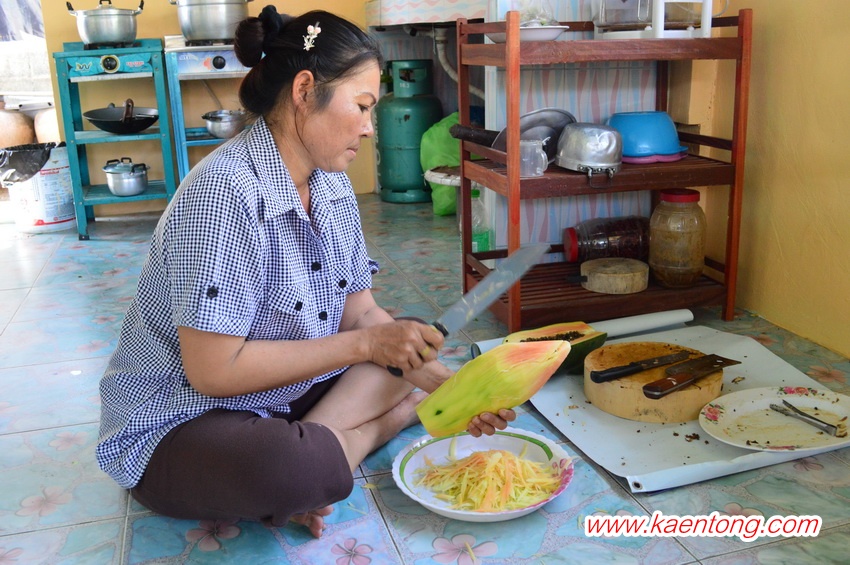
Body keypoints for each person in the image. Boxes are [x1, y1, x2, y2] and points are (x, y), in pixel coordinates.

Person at [96, 7, 515, 539]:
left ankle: (319, 446)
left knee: (406, 334)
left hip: (283, 393)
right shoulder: (222, 194)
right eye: (361, 106)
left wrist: (452, 389)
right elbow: (213, 374)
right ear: (304, 90)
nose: (369, 127)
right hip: (184, 420)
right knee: (294, 467)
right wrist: (368, 349)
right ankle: (371, 431)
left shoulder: (330, 180)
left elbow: (359, 312)